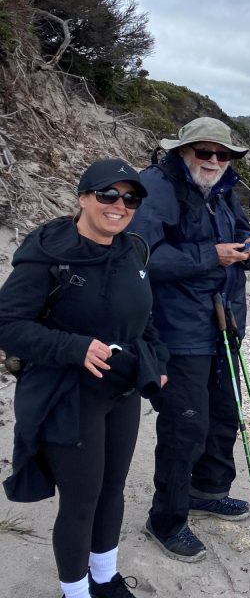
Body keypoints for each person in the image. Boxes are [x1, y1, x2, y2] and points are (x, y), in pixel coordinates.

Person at [0, 159, 167, 598]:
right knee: (81, 500)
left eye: (130, 197)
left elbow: (143, 318)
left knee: (113, 489)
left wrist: (159, 361)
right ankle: (75, 592)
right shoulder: (48, 254)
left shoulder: (134, 249)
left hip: (122, 390)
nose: (119, 205)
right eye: (107, 195)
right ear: (82, 197)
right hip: (68, 394)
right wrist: (74, 348)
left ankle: (106, 577)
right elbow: (9, 323)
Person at [127, 117, 250, 563]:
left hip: (225, 320)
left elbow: (237, 242)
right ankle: (166, 520)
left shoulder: (226, 188)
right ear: (182, 151)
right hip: (177, 326)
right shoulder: (155, 186)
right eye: (203, 152)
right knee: (184, 423)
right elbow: (142, 254)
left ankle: (207, 488)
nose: (213, 161)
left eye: (222, 154)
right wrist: (211, 255)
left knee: (223, 414)